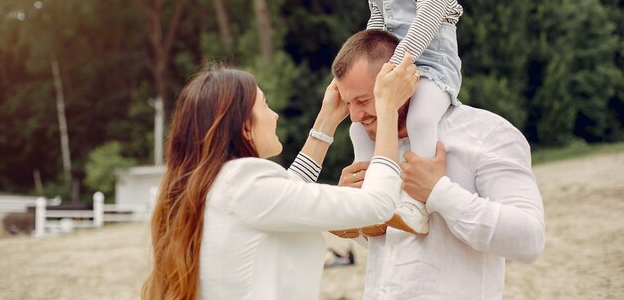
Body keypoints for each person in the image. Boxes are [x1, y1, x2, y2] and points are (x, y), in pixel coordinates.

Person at [140, 55, 418, 300]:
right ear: (244, 126)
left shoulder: (216, 184)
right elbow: (377, 204)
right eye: (264, 105)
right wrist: (387, 108)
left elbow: (284, 195)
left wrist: (326, 121)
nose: (273, 116)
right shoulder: (242, 181)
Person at [332, 30, 545, 300]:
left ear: (400, 81)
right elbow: (392, 248)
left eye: (362, 101)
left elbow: (530, 240)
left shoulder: (487, 133)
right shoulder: (376, 149)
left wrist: (438, 192)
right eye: (348, 103)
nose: (355, 116)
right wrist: (357, 210)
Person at [349, 0, 464, 235]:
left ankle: (416, 202)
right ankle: (367, 199)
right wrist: (360, 74)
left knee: (420, 118)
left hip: (430, 70)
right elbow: (374, 40)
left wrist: (396, 64)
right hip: (395, 71)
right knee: (358, 126)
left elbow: (426, 22)